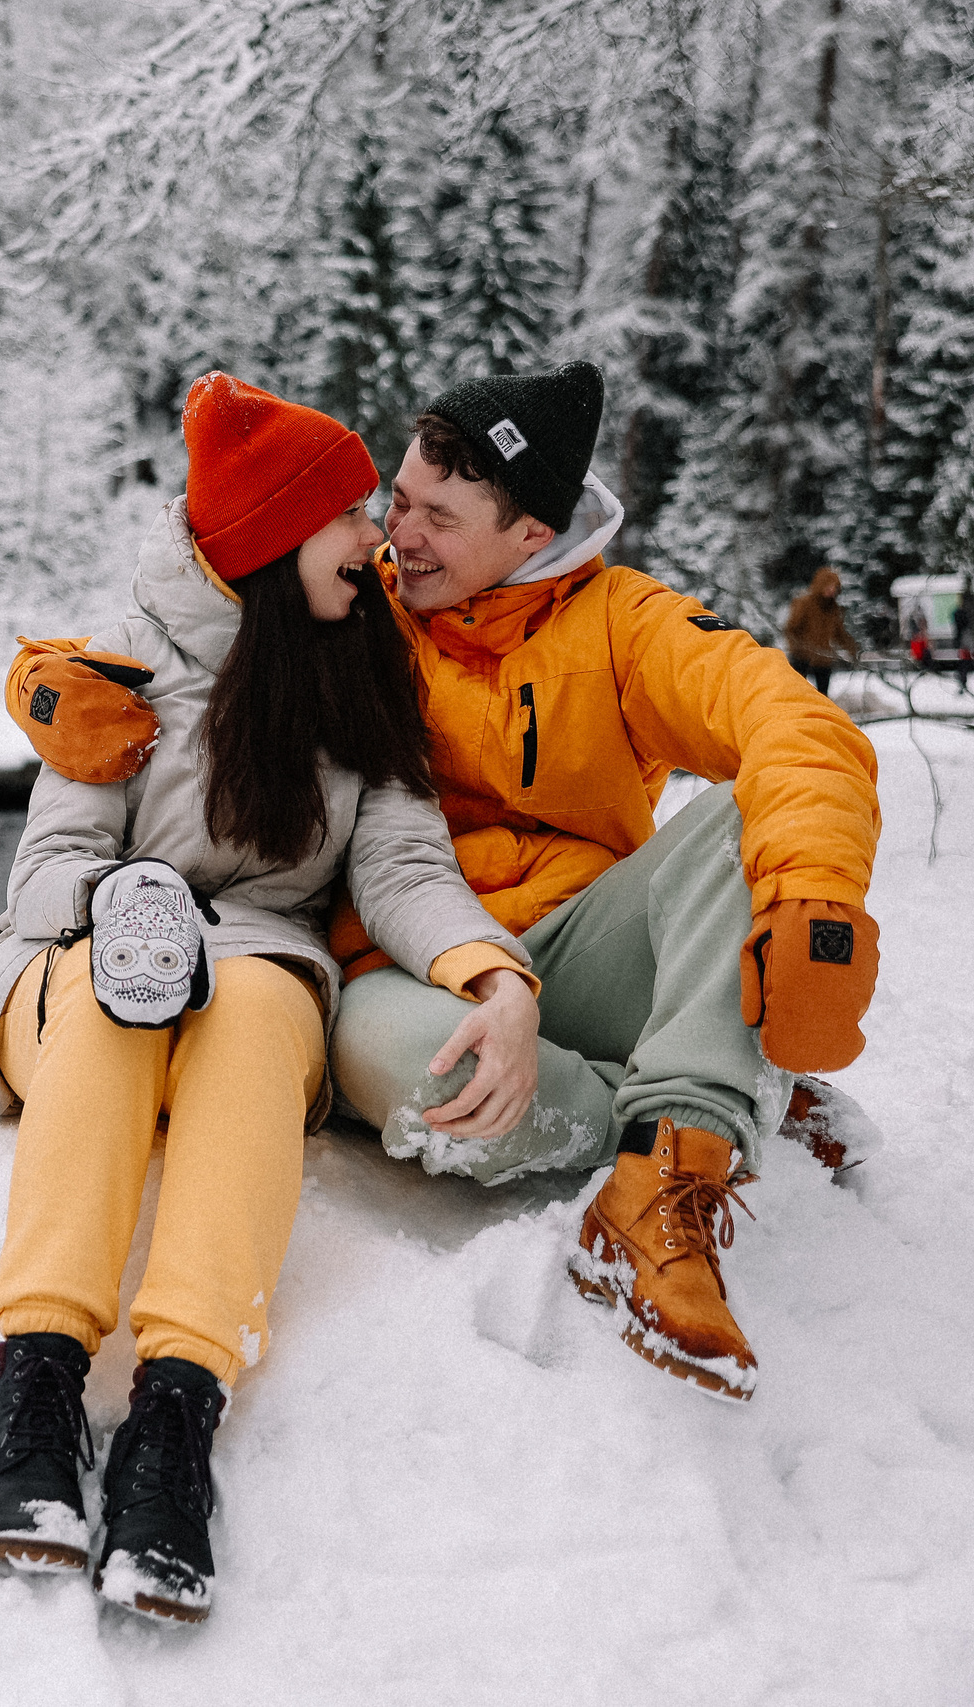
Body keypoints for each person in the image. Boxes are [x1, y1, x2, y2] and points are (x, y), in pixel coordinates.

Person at [0, 374, 538, 1625]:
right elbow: (51, 868)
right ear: (275, 539)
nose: (375, 538)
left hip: (257, 964)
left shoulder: (357, 672)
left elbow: (398, 867)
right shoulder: (112, 668)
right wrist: (123, 908)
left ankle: (176, 1410)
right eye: (346, 517)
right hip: (67, 965)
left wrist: (493, 973)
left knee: (262, 1000)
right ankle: (38, 1389)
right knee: (130, 999)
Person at [329, 362, 882, 1404]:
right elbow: (209, 618)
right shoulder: (362, 607)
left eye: (439, 517)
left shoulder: (623, 622)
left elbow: (793, 721)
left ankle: (664, 1176)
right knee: (408, 1074)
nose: (400, 534)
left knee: (737, 815)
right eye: (396, 500)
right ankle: (704, 1094)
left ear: (530, 533)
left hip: (578, 944)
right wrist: (69, 681)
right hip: (414, 962)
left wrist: (815, 894)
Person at [784, 565, 859, 695]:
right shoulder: (804, 603)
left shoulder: (833, 609)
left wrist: (853, 649)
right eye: (828, 586)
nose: (831, 590)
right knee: (797, 693)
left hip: (823, 659)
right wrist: (799, 648)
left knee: (823, 695)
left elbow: (839, 634)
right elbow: (791, 629)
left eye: (834, 587)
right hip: (802, 657)